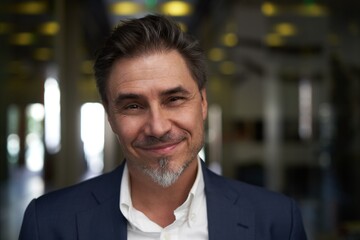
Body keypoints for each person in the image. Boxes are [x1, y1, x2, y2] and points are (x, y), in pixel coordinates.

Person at [19, 14, 307, 239]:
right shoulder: (47, 225)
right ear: (110, 116)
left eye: (174, 99)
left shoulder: (277, 221)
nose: (157, 127)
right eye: (133, 106)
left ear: (203, 103)